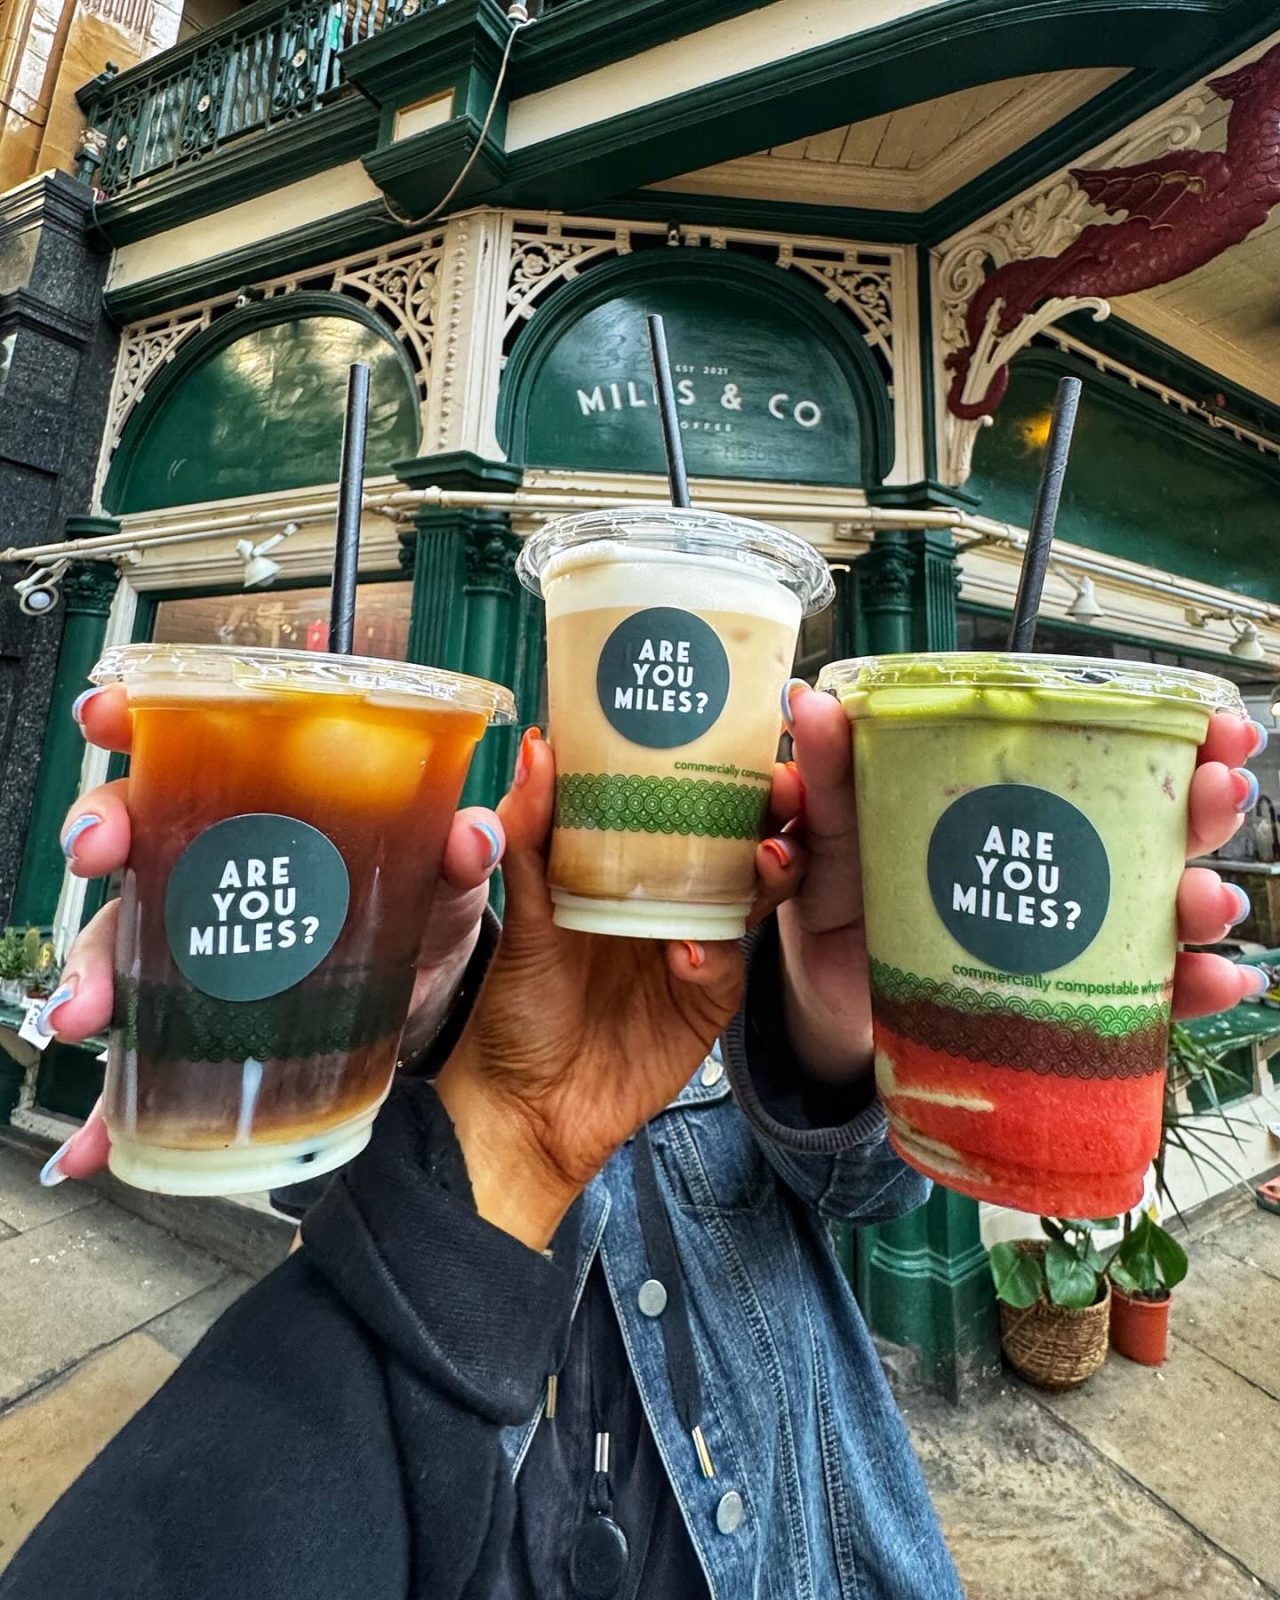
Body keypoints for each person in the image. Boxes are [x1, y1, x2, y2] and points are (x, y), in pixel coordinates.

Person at [1, 681, 1264, 1600]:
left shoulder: (757, 950)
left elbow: (874, 1190)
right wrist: (381, 1029)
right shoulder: (439, 946)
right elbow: (310, 1205)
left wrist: (838, 1034)